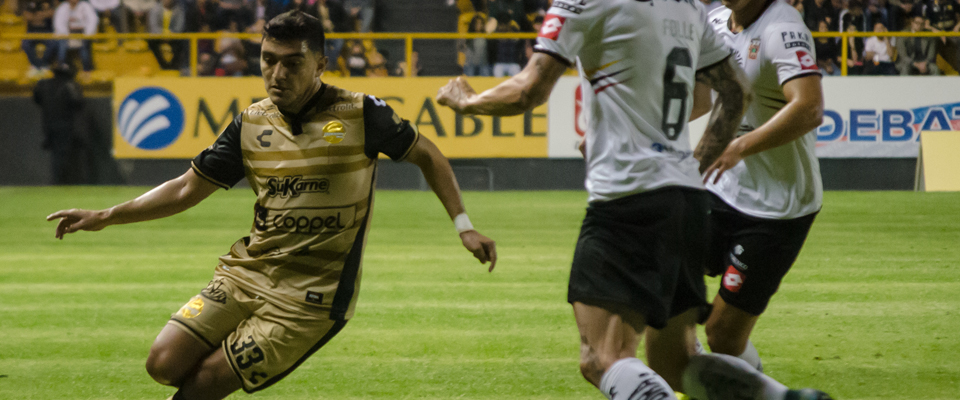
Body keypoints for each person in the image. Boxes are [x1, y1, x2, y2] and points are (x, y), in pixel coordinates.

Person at [47, 10, 496, 400]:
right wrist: (105, 217)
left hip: (311, 298)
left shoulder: (362, 114)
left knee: (204, 385)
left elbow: (428, 155)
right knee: (162, 364)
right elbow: (186, 188)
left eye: (292, 63)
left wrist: (464, 225)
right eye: (268, 61)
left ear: (320, 64)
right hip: (247, 273)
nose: (277, 74)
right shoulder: (249, 124)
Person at [437, 1, 829, 399]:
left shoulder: (584, 2)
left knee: (601, 358)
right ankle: (784, 398)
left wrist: (467, 101)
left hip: (627, 201)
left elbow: (528, 90)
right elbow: (735, 91)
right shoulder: (688, 6)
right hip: (688, 200)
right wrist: (692, 166)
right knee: (676, 366)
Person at [692, 0, 827, 382]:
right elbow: (698, 100)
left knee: (722, 335)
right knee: (666, 267)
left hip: (777, 208)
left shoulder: (781, 28)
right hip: (722, 189)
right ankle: (689, 374)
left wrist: (740, 147)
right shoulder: (716, 21)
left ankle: (755, 388)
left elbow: (810, 107)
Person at [33, 62, 86, 185]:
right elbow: (78, 103)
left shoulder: (43, 84)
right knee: (63, 154)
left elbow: (36, 99)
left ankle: (58, 180)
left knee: (55, 153)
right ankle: (61, 181)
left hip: (47, 124)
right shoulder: (69, 85)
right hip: (65, 124)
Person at [53, 0, 98, 78]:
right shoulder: (62, 7)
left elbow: (92, 20)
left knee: (85, 45)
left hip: (82, 34)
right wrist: (67, 35)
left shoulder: (86, 6)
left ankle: (86, 70)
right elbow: (58, 23)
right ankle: (61, 68)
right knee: (61, 44)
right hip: (67, 35)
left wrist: (87, 34)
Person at [19, 0, 58, 78]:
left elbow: (53, 13)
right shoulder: (30, 3)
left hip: (47, 30)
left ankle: (44, 65)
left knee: (53, 43)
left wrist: (36, 16)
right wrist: (43, 15)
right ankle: (35, 66)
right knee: (25, 44)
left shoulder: (49, 2)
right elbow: (26, 16)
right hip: (31, 31)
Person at [924, 0, 960, 70]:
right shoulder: (931, 4)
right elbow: (926, 25)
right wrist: (935, 31)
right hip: (937, 34)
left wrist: (958, 26)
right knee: (932, 41)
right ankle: (931, 68)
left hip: (951, 32)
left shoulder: (953, 3)